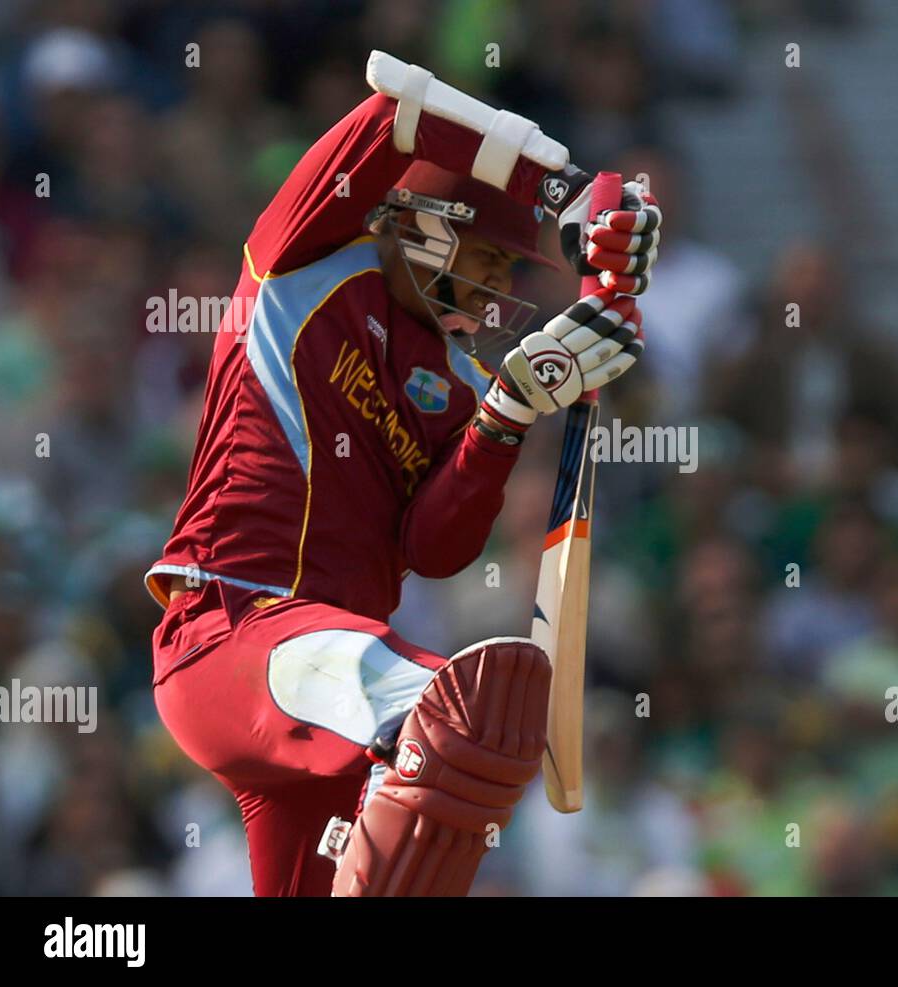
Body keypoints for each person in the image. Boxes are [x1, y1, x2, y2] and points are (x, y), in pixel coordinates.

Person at [145, 50, 663, 897]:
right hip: (231, 631)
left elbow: (435, 546)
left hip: (320, 704)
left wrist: (507, 414)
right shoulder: (299, 264)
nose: (494, 291)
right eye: (487, 260)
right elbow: (398, 113)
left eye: (505, 273)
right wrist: (564, 187)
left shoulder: (457, 382)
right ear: (422, 217)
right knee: (448, 711)